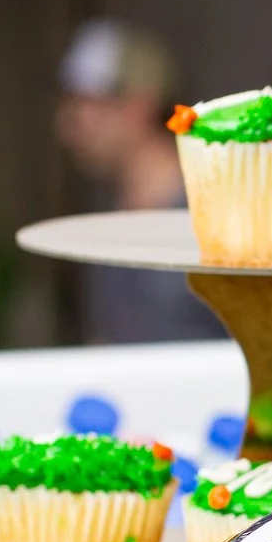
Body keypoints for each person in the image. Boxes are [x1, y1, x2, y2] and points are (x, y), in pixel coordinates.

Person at [55, 20, 224, 344]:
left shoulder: (212, 214)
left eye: (85, 105)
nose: (68, 124)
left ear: (138, 106)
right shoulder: (111, 220)